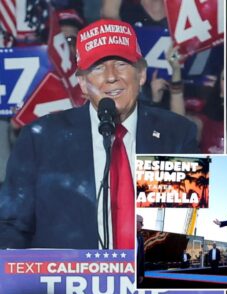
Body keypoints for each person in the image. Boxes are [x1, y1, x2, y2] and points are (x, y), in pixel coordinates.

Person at [0, 19, 198, 250]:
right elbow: (11, 227)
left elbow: (185, 227)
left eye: (122, 64)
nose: (111, 76)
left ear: (141, 74)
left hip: (149, 281)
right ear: (83, 84)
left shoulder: (176, 134)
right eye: (98, 67)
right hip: (66, 284)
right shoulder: (41, 137)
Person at [136, 214, 145, 287]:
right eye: (141, 223)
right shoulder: (126, 234)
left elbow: (142, 257)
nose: (142, 226)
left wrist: (141, 274)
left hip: (137, 272)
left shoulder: (140, 238)